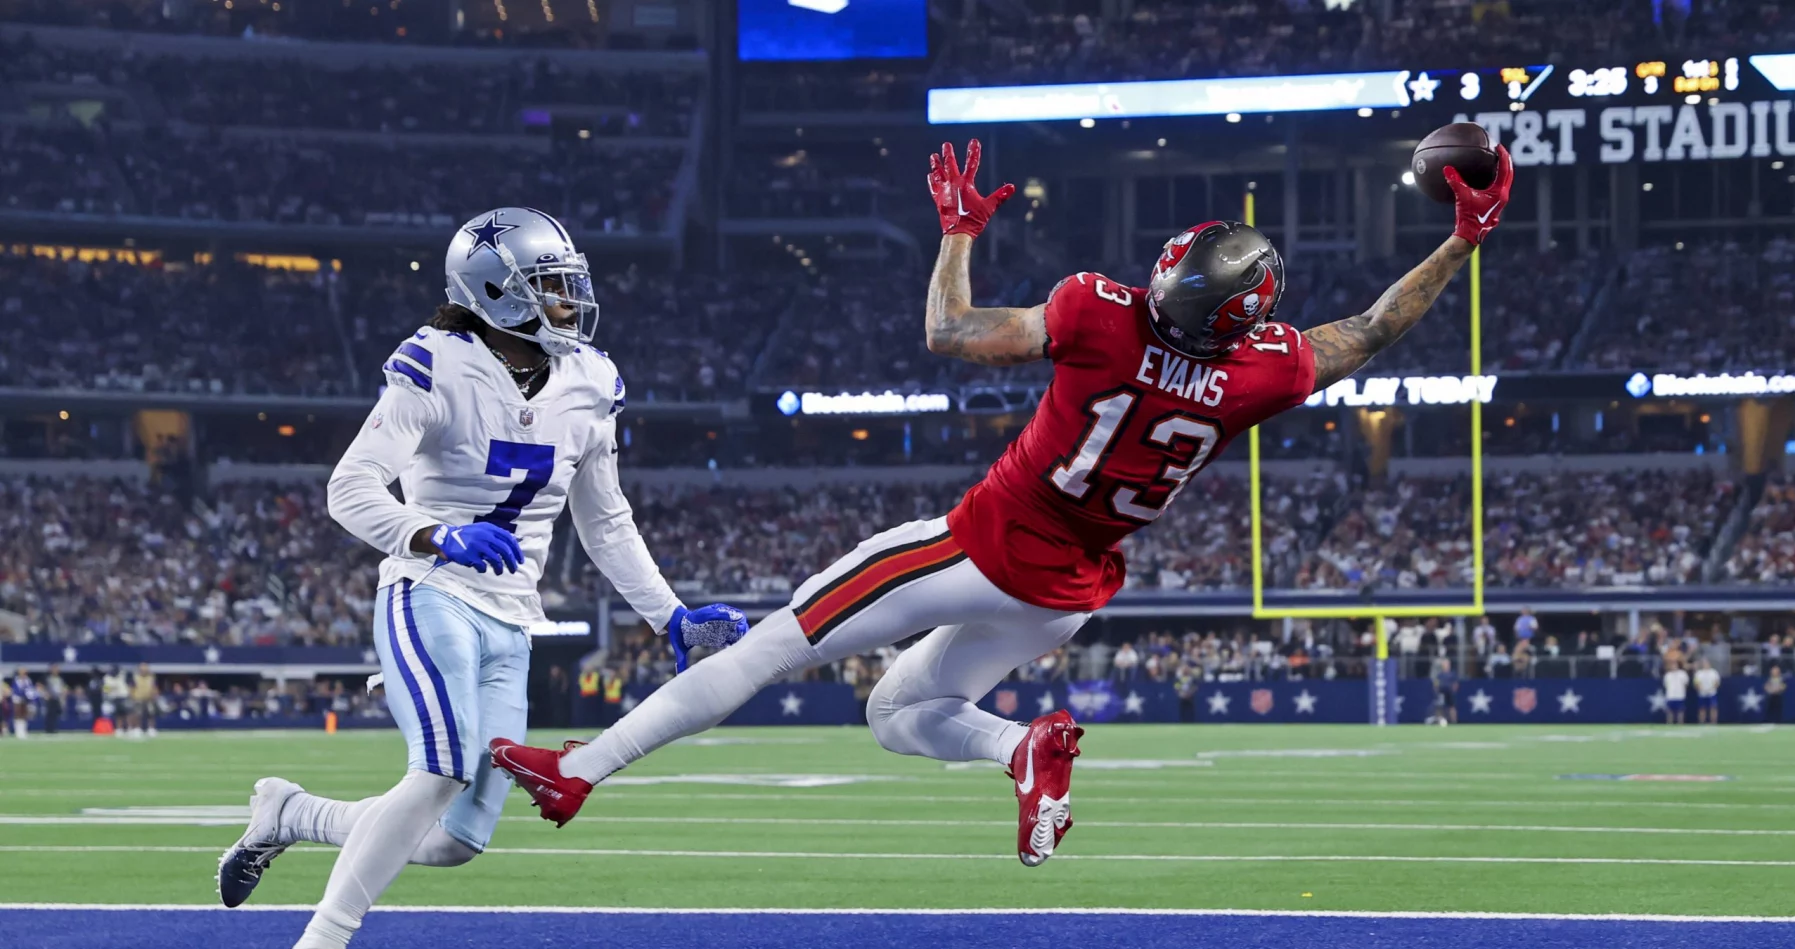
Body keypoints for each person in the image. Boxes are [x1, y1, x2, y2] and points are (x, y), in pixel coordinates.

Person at [490, 137, 1516, 867]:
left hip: (979, 544)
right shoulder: (1264, 372)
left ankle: (583, 767)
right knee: (898, 712)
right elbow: (1373, 327)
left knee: (767, 647)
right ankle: (1021, 750)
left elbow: (948, 331)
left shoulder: (1099, 315)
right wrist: (1464, 239)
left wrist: (958, 232)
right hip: (1067, 591)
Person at [215, 207, 750, 949]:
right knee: (438, 767)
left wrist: (665, 613)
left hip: (512, 617)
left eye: (570, 288)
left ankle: (292, 814)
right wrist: (432, 534)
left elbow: (602, 517)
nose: (569, 305)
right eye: (550, 289)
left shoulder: (591, 380)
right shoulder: (437, 362)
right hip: (429, 593)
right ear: (497, 292)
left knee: (456, 838)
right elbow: (349, 489)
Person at [1430, 658, 1458, 726]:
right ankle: (1440, 720)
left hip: (1450, 692)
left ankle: (1454, 721)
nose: (1446, 665)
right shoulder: (1440, 675)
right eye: (1444, 664)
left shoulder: (1452, 674)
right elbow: (1436, 683)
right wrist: (1436, 689)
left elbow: (1455, 684)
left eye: (1447, 664)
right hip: (1441, 693)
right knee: (1440, 707)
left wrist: (1454, 689)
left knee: (1452, 707)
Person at [1692, 656, 1720, 725]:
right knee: (1702, 709)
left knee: (1713, 708)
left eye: (1706, 663)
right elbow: (1696, 683)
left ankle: (1713, 723)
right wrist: (1701, 688)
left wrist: (1711, 688)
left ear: (1709, 664)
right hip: (1702, 693)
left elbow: (1717, 682)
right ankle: (1702, 722)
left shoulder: (1714, 672)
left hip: (1711, 693)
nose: (1705, 664)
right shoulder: (1699, 673)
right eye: (1704, 663)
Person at [1662, 659, 1689, 725]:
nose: (1673, 666)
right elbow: (1666, 685)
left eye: (1675, 664)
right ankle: (1669, 723)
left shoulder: (1682, 674)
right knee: (1670, 711)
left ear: (1677, 665)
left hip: (1680, 695)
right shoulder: (1667, 675)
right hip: (1670, 696)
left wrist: (1681, 691)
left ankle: (1680, 724)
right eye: (1672, 665)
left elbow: (1686, 684)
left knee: (1680, 711)